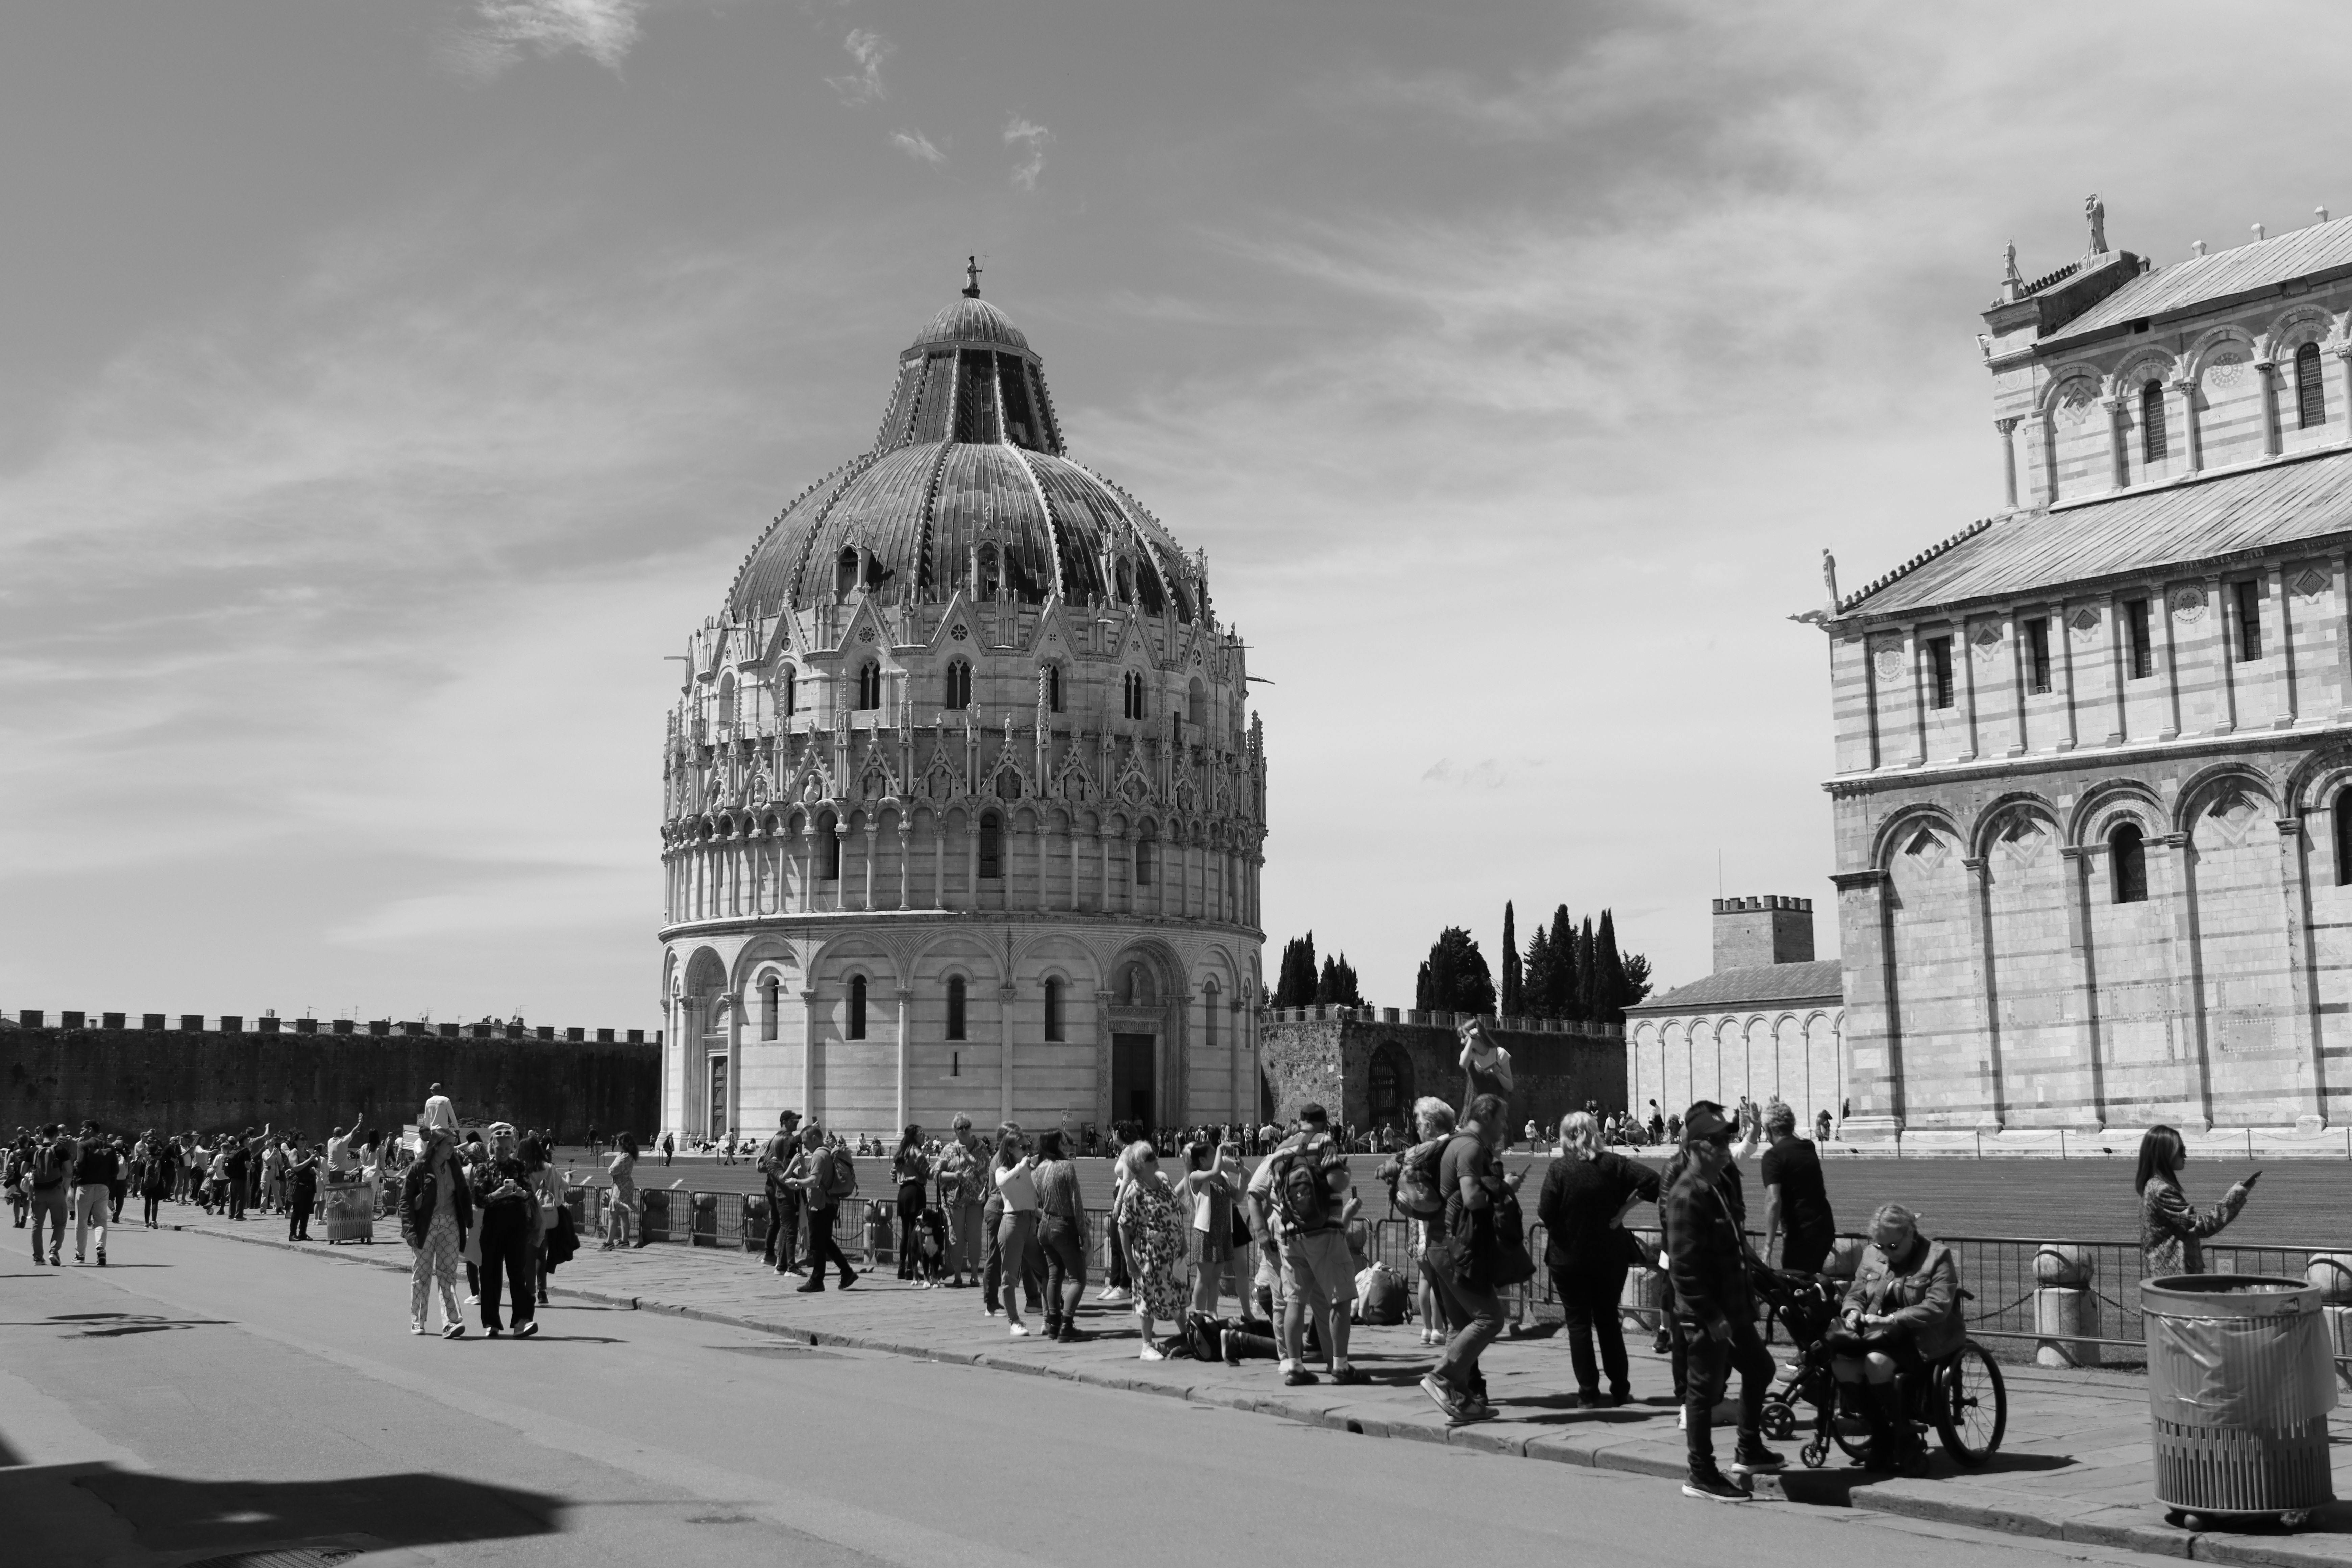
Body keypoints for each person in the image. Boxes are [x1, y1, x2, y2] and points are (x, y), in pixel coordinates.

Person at [1663, 1099, 1781, 1502]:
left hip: (1732, 1308)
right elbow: (1684, 1267)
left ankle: (1748, 1448)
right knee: (1702, 1391)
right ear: (1695, 1146)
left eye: (1727, 1137)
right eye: (1717, 1140)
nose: (1725, 1144)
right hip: (1707, 1314)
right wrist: (1711, 1315)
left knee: (1761, 1368)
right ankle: (1701, 1473)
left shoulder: (1715, 1185)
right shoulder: (1687, 1194)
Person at [1537, 1109, 1661, 1408]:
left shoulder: (1559, 1169)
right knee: (1607, 1321)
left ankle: (1589, 1393)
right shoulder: (1614, 1164)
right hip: (1609, 1255)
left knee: (1578, 1324)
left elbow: (1545, 1213)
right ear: (1596, 1133)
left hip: (1569, 1256)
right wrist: (1622, 1211)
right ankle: (1620, 1389)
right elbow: (1653, 1181)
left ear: (1567, 1137)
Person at [1828, 1203, 1962, 1475]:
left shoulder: (1937, 1256)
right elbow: (1855, 1293)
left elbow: (1938, 1306)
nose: (1887, 1253)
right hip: (1877, 1335)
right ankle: (1881, 1432)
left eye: (1893, 1247)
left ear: (1911, 1233)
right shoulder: (1871, 1255)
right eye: (1880, 1247)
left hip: (1924, 1340)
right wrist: (1853, 1311)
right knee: (1841, 1364)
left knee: (1875, 1362)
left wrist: (1891, 1319)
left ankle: (1903, 1435)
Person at [1416, 1093, 1518, 1420]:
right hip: (1454, 1246)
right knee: (1491, 1318)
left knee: (1460, 1326)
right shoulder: (1471, 1147)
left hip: (1439, 1244)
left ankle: (1461, 1400)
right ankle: (1442, 1377)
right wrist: (1505, 1187)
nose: (1504, 1126)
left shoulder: (1460, 1143)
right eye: (1502, 1119)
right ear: (1486, 1116)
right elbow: (1473, 1199)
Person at [1250, 1103, 1362, 1387]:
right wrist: (1345, 1174)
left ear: (1300, 1122)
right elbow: (1336, 1181)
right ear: (1324, 1124)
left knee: (1294, 1302)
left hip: (1290, 1233)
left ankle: (1296, 1367)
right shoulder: (1324, 1142)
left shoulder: (1281, 1149)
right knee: (1340, 1296)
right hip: (1323, 1231)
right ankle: (1340, 1366)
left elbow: (1268, 1189)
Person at [2137, 1124, 2257, 1276]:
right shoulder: (2161, 1190)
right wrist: (2234, 1196)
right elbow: (2200, 1226)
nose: (2185, 1156)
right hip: (2174, 1279)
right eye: (2181, 1151)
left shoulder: (2153, 1186)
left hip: (2167, 1276)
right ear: (2166, 1154)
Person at [1114, 1142, 1189, 1359]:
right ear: (1139, 1165)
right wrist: (1129, 1261)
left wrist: (1183, 1243)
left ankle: (1187, 1337)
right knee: (1148, 1298)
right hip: (1150, 1257)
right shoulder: (1134, 1191)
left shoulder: (1163, 1181)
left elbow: (1176, 1211)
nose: (1155, 1158)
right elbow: (1124, 1226)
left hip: (1173, 1255)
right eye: (1149, 1158)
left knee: (1178, 1296)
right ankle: (1146, 1345)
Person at [402, 1125, 473, 1337]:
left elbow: (464, 1192)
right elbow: (405, 1202)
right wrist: (410, 1231)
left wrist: (468, 1220)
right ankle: (418, 1320)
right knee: (422, 1275)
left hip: (450, 1224)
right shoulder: (418, 1168)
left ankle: (451, 1322)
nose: (454, 1148)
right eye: (450, 1144)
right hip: (426, 1226)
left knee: (448, 1274)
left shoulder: (454, 1166)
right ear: (437, 1146)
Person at [471, 1123, 540, 1337]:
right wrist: (496, 1195)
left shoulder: (519, 1167)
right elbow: (479, 1200)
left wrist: (521, 1193)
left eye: (507, 1149)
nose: (503, 1153)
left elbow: (530, 1193)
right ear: (492, 1147)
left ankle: (522, 1321)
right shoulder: (484, 1168)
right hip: (492, 1224)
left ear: (513, 1147)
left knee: (517, 1274)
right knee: (490, 1276)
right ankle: (491, 1323)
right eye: (499, 1149)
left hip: (516, 1224)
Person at [1760, 1102, 1836, 1275]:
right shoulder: (1808, 1147)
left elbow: (1773, 1201)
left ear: (1768, 1128)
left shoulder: (1773, 1156)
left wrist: (1768, 1247)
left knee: (1796, 1286)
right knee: (1811, 1281)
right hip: (1824, 1227)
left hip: (1801, 1234)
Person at [1032, 1130, 1087, 1341]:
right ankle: (1067, 1324)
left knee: (1054, 1275)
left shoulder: (1038, 1170)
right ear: (1055, 1145)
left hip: (1044, 1225)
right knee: (1078, 1278)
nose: (1068, 1146)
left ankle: (1053, 1324)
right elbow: (1076, 1202)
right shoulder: (1066, 1167)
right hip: (1062, 1224)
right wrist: (1083, 1232)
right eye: (1064, 1143)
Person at [792, 1124, 859, 1293]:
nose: (805, 1145)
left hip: (820, 1205)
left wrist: (797, 1182)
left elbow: (814, 1182)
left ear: (815, 1138)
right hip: (829, 1203)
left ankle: (817, 1280)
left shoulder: (819, 1155)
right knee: (825, 1242)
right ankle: (846, 1272)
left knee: (817, 1243)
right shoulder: (827, 1152)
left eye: (806, 1142)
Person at [1177, 1137, 1239, 1315]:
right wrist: (1220, 1149)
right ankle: (1200, 1315)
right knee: (1204, 1278)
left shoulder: (1216, 1173)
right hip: (1205, 1231)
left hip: (1221, 1230)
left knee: (1214, 1279)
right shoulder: (1195, 1176)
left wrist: (1242, 1170)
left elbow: (1228, 1173)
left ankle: (1212, 1314)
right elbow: (1214, 1172)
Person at [991, 1127, 1042, 1337]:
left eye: (1029, 1145)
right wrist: (1022, 1166)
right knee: (1010, 1276)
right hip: (1012, 1224)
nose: (1027, 1150)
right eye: (1023, 1147)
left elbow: (1033, 1195)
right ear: (1010, 1149)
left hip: (1031, 1221)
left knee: (1046, 1271)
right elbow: (1002, 1183)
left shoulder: (1027, 1168)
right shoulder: (1003, 1169)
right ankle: (1015, 1321)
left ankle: (1048, 1317)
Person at [934, 1114, 987, 1289]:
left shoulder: (980, 1147)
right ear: (955, 1130)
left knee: (975, 1237)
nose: (964, 1130)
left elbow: (983, 1170)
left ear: (971, 1127)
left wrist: (967, 1154)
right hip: (954, 1200)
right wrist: (952, 1175)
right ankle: (957, 1275)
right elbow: (936, 1173)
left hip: (975, 1200)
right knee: (955, 1238)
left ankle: (974, 1275)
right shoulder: (949, 1149)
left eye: (966, 1126)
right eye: (960, 1128)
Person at [759, 1111, 804, 1275]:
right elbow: (784, 1179)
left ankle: (777, 1259)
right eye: (793, 1120)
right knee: (787, 1228)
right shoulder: (776, 1160)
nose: (789, 1147)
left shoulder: (783, 1157)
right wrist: (794, 1167)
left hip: (783, 1193)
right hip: (783, 1195)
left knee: (781, 1224)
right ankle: (785, 1264)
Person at [72, 1121, 118, 1266]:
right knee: (101, 1221)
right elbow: (115, 1170)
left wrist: (75, 1173)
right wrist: (108, 1183)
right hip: (103, 1187)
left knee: (82, 1222)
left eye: (83, 1129)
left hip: (85, 1186)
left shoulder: (84, 1145)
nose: (82, 1132)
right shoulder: (110, 1147)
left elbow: (80, 1165)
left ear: (91, 1130)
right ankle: (101, 1249)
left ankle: (81, 1255)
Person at [891, 1125, 933, 1284]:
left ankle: (902, 1268)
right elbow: (928, 1174)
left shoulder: (902, 1152)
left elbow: (894, 1175)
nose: (924, 1136)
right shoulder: (917, 1152)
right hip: (916, 1192)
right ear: (915, 1136)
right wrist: (939, 1169)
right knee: (913, 1232)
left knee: (905, 1232)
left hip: (903, 1193)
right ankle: (911, 1269)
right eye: (922, 1134)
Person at [26, 1124, 73, 1266]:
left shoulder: (33, 1151)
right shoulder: (60, 1150)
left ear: (42, 1135)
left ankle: (38, 1257)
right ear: (56, 1135)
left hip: (38, 1192)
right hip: (56, 1191)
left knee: (37, 1225)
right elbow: (69, 1170)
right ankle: (54, 1250)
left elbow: (22, 1171)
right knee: (59, 1223)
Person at [1457, 1018, 1514, 1120]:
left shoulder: (1500, 1054)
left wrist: (1499, 1074)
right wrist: (1472, 1039)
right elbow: (1463, 1064)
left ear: (1478, 1035)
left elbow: (1510, 1087)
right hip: (1474, 1114)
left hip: (1495, 1114)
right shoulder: (1469, 1054)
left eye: (1464, 1037)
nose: (1462, 1042)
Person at [601, 1132, 640, 1251]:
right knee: (623, 1214)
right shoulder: (624, 1154)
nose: (617, 1143)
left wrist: (611, 1170)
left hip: (622, 1187)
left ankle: (609, 1242)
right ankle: (624, 1241)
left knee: (613, 1213)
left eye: (619, 1141)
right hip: (622, 1185)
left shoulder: (627, 1156)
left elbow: (613, 1169)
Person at [284, 1142, 320, 1241]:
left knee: (307, 1211)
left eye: (305, 1139)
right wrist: (310, 1160)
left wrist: (318, 1157)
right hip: (299, 1184)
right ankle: (292, 1234)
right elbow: (296, 1167)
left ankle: (303, 1233)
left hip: (310, 1183)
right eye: (302, 1139)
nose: (304, 1142)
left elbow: (317, 1165)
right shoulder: (294, 1153)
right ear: (296, 1141)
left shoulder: (308, 1153)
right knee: (298, 1210)